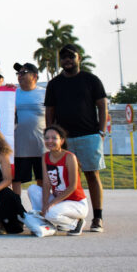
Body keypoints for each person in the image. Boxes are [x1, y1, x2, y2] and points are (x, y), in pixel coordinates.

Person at [44, 44, 107, 233]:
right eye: (63, 57)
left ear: (79, 57)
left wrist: (101, 131)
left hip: (89, 135)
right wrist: (50, 134)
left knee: (92, 175)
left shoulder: (91, 80)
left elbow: (102, 106)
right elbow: (50, 111)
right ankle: (71, 216)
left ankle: (98, 217)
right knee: (66, 178)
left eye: (71, 56)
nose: (67, 60)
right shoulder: (54, 84)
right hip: (64, 140)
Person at [27, 125, 88, 235]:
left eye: (54, 138)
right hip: (60, 201)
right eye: (47, 138)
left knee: (51, 213)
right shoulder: (45, 157)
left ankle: (75, 223)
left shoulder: (69, 157)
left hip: (76, 203)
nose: (50, 141)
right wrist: (45, 204)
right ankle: (43, 221)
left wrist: (51, 204)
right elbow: (46, 184)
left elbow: (72, 186)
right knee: (32, 189)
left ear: (62, 140)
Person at [13, 62, 46, 197]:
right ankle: (17, 211)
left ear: (34, 76)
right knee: (16, 180)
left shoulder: (45, 93)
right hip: (19, 147)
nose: (19, 76)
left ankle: (42, 210)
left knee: (43, 179)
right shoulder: (12, 93)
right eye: (18, 73)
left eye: (23, 73)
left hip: (42, 147)